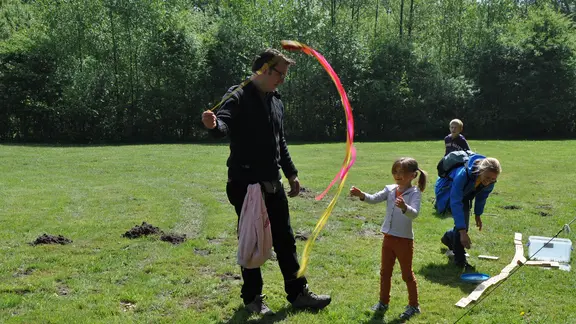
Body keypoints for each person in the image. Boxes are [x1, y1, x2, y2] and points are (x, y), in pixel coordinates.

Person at [201, 48, 331, 315]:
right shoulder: (237, 95)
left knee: (285, 239)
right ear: (263, 69)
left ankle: (298, 293)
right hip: (245, 184)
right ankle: (253, 299)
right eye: (279, 74)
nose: (282, 79)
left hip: (272, 182)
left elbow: (279, 141)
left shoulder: (276, 101)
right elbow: (223, 126)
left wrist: (291, 173)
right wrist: (214, 126)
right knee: (252, 240)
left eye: (284, 75)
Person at [350, 157, 427, 321]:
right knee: (385, 273)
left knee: (407, 274)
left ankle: (413, 305)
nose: (398, 175)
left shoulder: (415, 193)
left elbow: (415, 213)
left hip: (404, 241)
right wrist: (361, 195)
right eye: (395, 172)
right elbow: (373, 198)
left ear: (413, 175)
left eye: (402, 172)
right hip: (388, 239)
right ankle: (383, 302)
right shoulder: (390, 189)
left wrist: (405, 207)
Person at [440, 156, 502, 269]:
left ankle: (447, 237)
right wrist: (463, 232)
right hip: (450, 193)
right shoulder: (463, 175)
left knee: (461, 227)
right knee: (462, 228)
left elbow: (482, 197)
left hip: (466, 195)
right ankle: (460, 261)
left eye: (493, 179)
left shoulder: (491, 181)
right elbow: (456, 202)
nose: (489, 182)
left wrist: (478, 214)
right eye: (487, 177)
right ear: (480, 171)